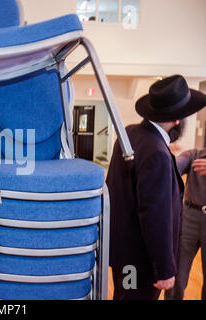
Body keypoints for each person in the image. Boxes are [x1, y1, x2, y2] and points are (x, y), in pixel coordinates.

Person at [107, 75, 206, 300]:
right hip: (142, 260)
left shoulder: (131, 134)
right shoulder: (157, 154)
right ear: (178, 120)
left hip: (123, 253)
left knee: (124, 296)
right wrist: (164, 269)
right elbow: (155, 216)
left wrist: (163, 150)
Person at [164, 148, 206, 300]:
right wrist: (166, 152)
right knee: (178, 276)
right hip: (189, 218)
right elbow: (174, 168)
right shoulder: (193, 155)